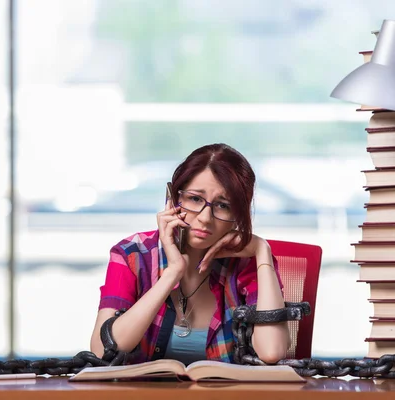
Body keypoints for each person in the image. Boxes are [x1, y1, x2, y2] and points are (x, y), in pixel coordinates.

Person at [90, 143, 290, 365]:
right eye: (195, 199)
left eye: (223, 205)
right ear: (174, 200)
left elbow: (272, 351)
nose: (205, 218)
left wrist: (262, 251)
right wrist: (172, 273)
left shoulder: (248, 262)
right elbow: (101, 351)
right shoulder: (132, 254)